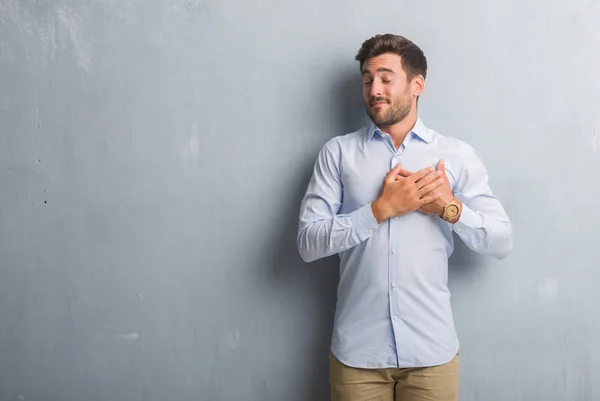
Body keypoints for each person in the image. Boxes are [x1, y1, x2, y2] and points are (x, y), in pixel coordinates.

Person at [296, 33, 513, 401]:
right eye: (367, 80)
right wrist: (380, 210)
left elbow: (501, 241)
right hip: (357, 358)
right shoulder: (338, 154)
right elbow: (307, 243)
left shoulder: (455, 156)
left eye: (385, 77)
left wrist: (450, 208)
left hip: (432, 355)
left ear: (417, 84)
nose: (374, 89)